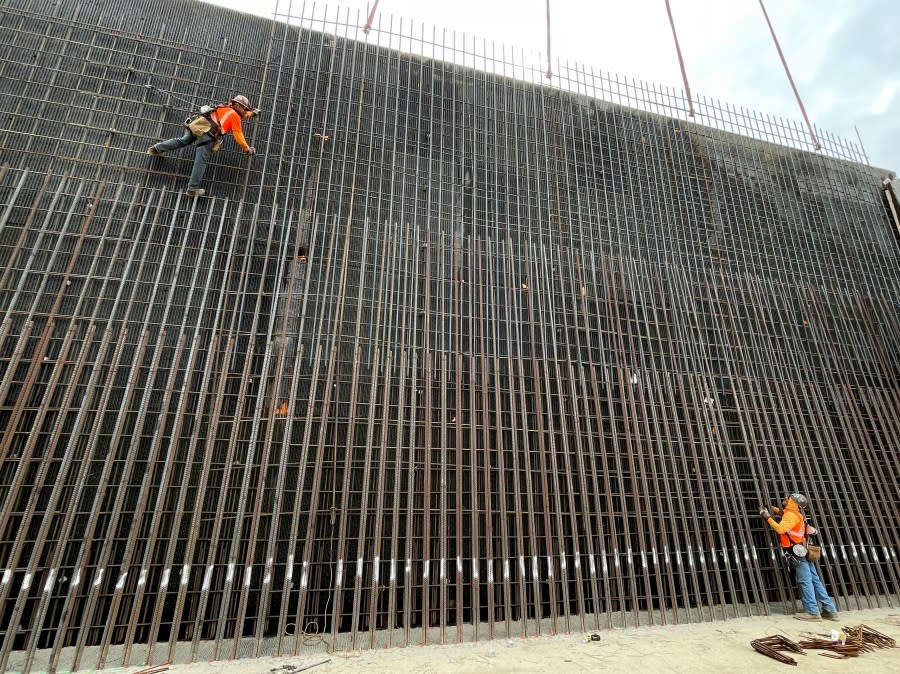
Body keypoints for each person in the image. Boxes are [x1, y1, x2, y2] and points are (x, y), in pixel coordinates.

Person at [148, 95, 259, 197]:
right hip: (207, 135)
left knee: (182, 141)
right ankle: (192, 189)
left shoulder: (224, 107)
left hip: (198, 126)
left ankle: (156, 149)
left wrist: (253, 113)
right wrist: (247, 149)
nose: (245, 111)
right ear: (238, 105)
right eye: (244, 108)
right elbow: (238, 135)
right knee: (201, 161)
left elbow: (243, 115)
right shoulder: (235, 116)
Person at [760, 493, 839, 622]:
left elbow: (780, 529)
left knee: (805, 581)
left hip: (796, 553)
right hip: (803, 551)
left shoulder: (791, 515)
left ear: (792, 502)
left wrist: (768, 517)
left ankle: (812, 612)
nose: (785, 499)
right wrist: (771, 508)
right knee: (814, 581)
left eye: (788, 498)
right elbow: (782, 513)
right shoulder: (795, 514)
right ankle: (830, 610)